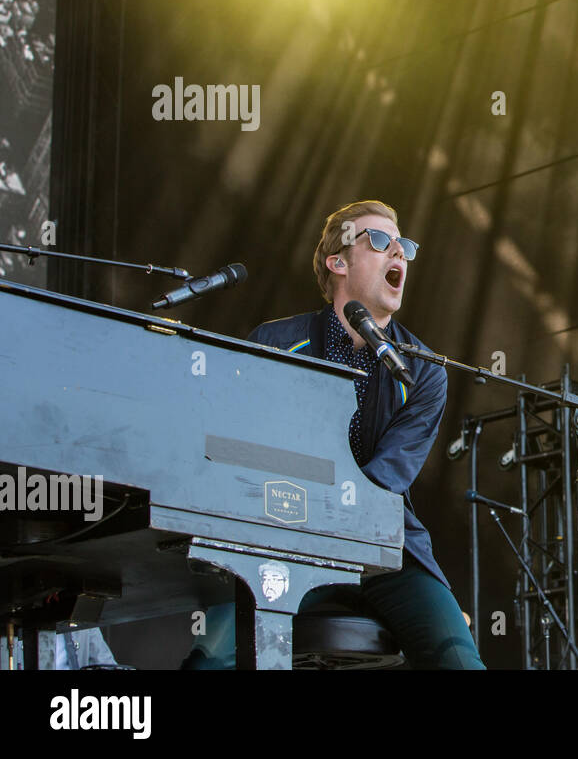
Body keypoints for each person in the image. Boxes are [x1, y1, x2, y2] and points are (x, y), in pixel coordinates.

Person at [183, 200, 484, 669]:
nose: (399, 253)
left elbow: (385, 481)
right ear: (338, 262)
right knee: (210, 661)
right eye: (380, 241)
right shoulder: (275, 345)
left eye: (404, 245)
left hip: (386, 551)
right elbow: (236, 453)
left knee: (459, 662)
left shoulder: (424, 371)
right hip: (285, 540)